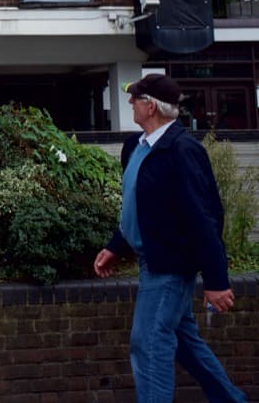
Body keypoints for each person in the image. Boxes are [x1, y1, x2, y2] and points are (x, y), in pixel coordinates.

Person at [93, 74, 245, 402]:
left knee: (148, 343)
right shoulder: (136, 147)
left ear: (150, 107)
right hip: (152, 258)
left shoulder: (182, 150)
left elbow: (204, 217)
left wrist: (216, 279)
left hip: (171, 265)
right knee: (185, 343)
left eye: (135, 98)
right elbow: (139, 206)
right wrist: (115, 246)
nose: (130, 102)